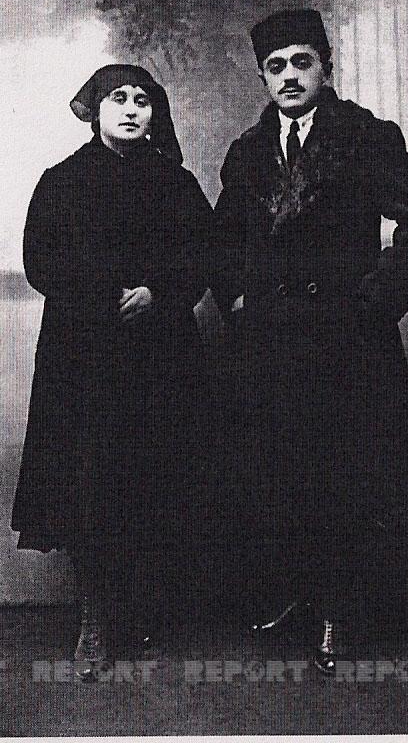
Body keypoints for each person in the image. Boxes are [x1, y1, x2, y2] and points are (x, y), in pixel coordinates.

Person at [209, 9, 408, 673]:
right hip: (270, 347)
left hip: (347, 344)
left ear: (324, 68)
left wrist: (372, 306)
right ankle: (298, 599)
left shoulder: (366, 137)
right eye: (275, 66)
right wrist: (238, 299)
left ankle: (341, 612)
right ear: (262, 77)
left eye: (301, 62)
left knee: (345, 479)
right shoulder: (248, 152)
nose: (289, 76)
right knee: (281, 474)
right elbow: (222, 241)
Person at [11, 64, 213, 674]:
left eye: (142, 101)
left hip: (162, 357)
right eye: (117, 99)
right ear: (94, 111)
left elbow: (205, 254)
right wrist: (103, 295)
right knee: (90, 484)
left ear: (155, 114)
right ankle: (95, 619)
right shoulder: (61, 182)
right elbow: (40, 261)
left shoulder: (177, 184)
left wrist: (160, 292)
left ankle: (144, 611)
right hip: (84, 357)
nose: (130, 110)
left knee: (155, 478)